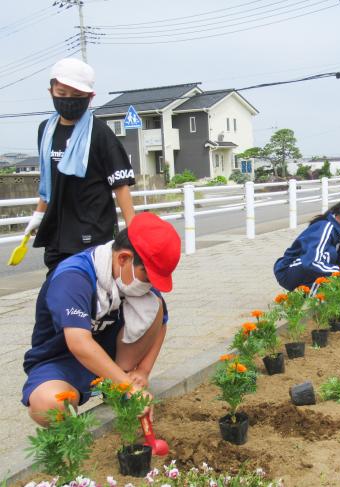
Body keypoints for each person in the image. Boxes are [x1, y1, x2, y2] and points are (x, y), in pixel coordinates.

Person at [22, 212, 181, 426]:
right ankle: (73, 433)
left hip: (112, 358)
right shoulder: (74, 277)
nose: (149, 284)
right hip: (60, 359)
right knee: (49, 405)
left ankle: (116, 382)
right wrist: (128, 386)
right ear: (123, 258)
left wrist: (142, 371)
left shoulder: (134, 282)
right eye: (148, 276)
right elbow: (79, 343)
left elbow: (160, 324)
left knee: (155, 306)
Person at [24, 58, 136, 273]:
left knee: (93, 295)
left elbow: (120, 184)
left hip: (93, 232)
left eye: (77, 96)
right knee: (57, 292)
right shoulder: (45, 131)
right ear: (51, 91)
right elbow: (49, 180)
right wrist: (39, 215)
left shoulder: (101, 133)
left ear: (89, 97)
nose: (68, 101)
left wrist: (133, 230)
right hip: (57, 233)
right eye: (62, 94)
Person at [274, 194, 340, 291]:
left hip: (304, 265)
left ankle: (314, 295)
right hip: (288, 270)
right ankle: (310, 299)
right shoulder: (325, 228)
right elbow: (311, 263)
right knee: (329, 257)